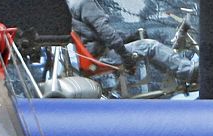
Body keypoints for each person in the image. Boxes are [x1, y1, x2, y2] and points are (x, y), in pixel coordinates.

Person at [66, 0, 197, 88]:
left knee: (145, 47)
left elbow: (95, 33)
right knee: (150, 46)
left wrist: (129, 38)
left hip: (92, 55)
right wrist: (125, 55)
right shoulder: (83, 3)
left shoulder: (71, 4)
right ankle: (188, 72)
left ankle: (180, 73)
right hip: (99, 57)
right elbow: (104, 31)